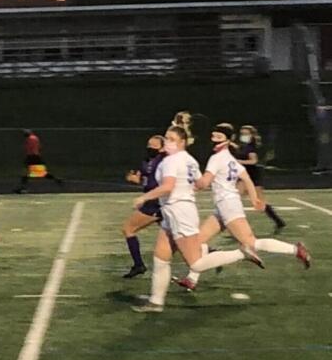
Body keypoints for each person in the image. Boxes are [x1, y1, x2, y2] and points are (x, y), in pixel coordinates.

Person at [174, 124, 310, 290]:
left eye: (218, 137)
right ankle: (192, 279)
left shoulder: (217, 159)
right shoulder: (230, 158)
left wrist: (186, 180)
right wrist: (254, 199)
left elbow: (204, 183)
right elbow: (246, 179)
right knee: (198, 241)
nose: (214, 140)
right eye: (213, 136)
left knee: (250, 243)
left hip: (228, 205)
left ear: (227, 140)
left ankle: (296, 250)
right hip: (223, 206)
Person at [130, 124, 204, 313]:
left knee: (195, 262)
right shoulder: (189, 159)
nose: (167, 142)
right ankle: (156, 301)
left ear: (182, 142)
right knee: (161, 257)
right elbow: (201, 183)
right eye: (167, 138)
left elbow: (168, 186)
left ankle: (240, 254)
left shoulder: (172, 161)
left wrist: (144, 197)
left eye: (171, 139)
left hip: (178, 210)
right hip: (175, 210)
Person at [121, 135, 166, 278]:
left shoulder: (163, 161)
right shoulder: (147, 161)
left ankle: (139, 264)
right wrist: (136, 179)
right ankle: (207, 250)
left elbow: (159, 184)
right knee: (177, 234)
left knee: (128, 228)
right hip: (152, 202)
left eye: (154, 147)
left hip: (156, 204)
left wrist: (145, 197)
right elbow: (146, 179)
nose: (151, 149)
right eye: (149, 146)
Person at [235, 125, 285, 232]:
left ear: (252, 135)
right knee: (235, 198)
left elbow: (253, 161)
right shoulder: (243, 146)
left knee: (259, 202)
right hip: (244, 176)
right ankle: (237, 226)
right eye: (242, 133)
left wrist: (239, 162)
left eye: (246, 134)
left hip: (252, 176)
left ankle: (278, 221)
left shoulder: (251, 147)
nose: (243, 136)